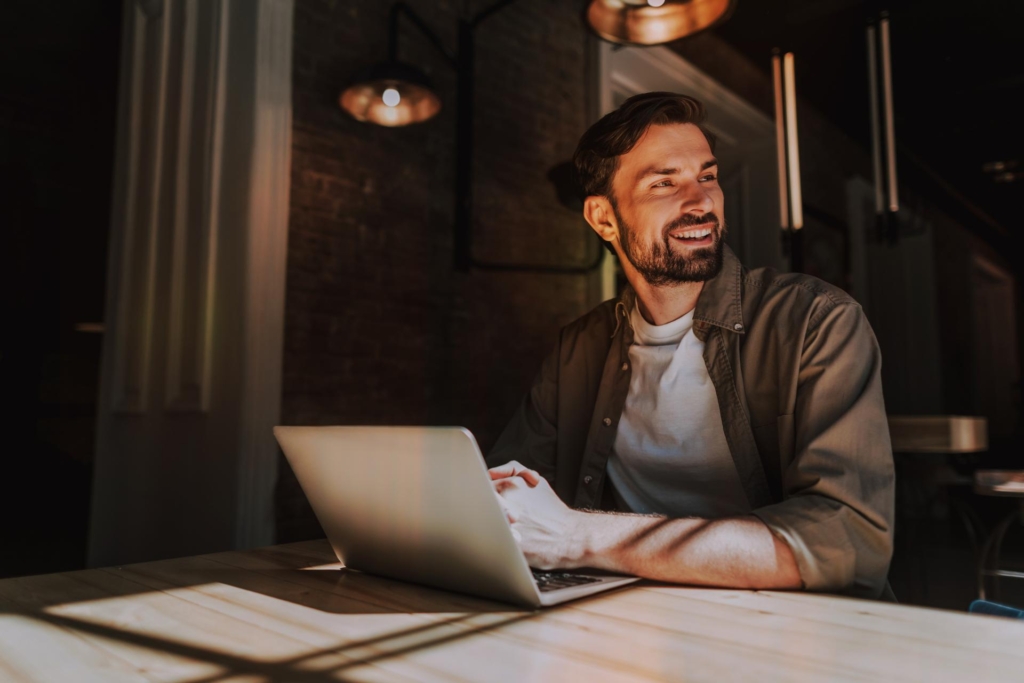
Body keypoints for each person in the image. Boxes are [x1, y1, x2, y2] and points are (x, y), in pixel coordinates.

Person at [485, 92, 895, 600]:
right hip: (627, 625)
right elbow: (504, 495)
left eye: (707, 176)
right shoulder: (580, 347)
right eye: (664, 183)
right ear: (603, 218)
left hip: (790, 629)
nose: (701, 201)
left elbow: (844, 539)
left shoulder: (816, 320)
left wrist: (576, 537)